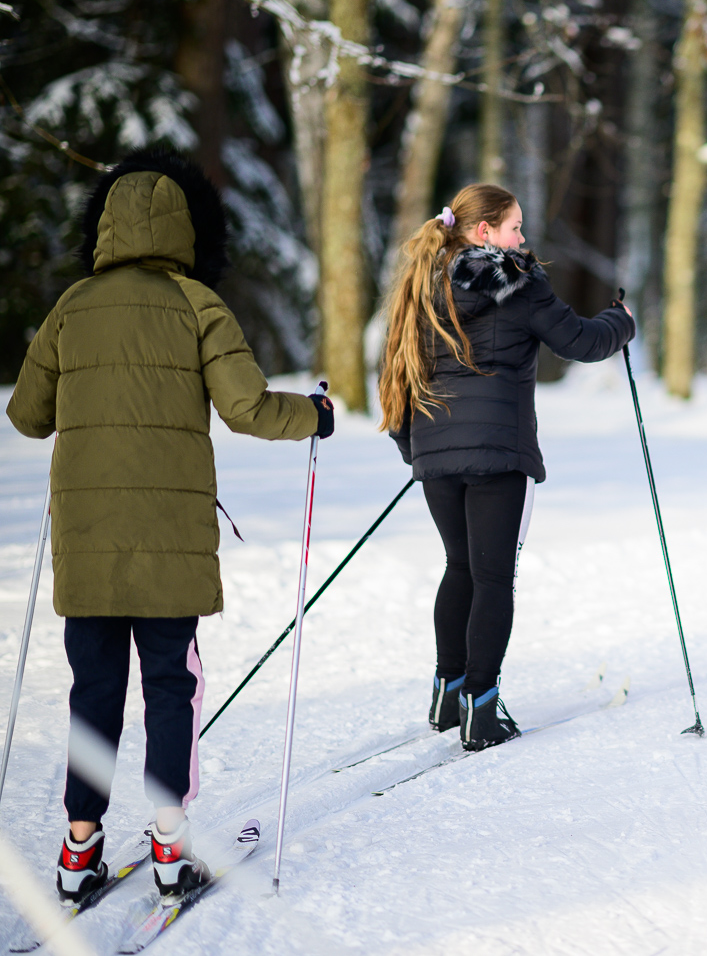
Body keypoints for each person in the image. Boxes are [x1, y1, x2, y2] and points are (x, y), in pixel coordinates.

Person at [5, 149, 334, 903]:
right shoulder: (196, 304)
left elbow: (26, 414)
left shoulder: (72, 306)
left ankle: (77, 848)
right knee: (169, 689)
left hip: (86, 542)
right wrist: (313, 414)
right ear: (187, 226)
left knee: (93, 691)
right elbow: (247, 408)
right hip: (172, 545)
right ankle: (167, 846)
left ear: (105, 225)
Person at [379, 184, 633, 752]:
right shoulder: (514, 282)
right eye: (514, 227)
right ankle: (482, 708)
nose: (523, 238)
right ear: (483, 232)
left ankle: (449, 695)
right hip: (497, 456)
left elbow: (394, 370)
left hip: (435, 455)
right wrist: (622, 321)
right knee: (492, 578)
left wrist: (415, 449)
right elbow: (582, 342)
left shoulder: (422, 283)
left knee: (460, 568)